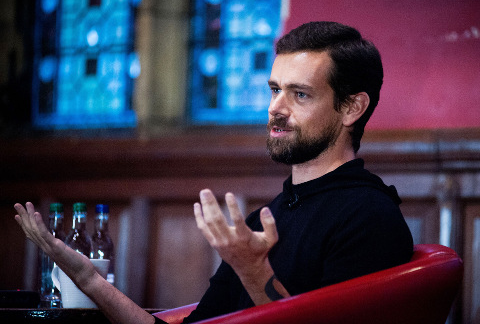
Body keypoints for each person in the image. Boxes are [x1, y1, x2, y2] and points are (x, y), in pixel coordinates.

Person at [14, 21, 413, 324]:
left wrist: (255, 271)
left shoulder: (370, 217)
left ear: (351, 108)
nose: (275, 108)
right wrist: (89, 280)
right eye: (274, 90)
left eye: (300, 94)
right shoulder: (264, 220)